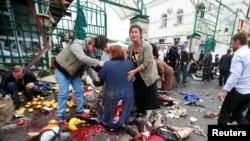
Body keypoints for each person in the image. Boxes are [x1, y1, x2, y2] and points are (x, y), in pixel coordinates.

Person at [93, 45, 142, 139]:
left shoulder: (107, 65)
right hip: (128, 97)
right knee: (123, 110)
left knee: (107, 119)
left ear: (112, 54)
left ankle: (123, 125)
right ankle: (132, 120)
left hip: (113, 98)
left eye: (109, 53)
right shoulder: (130, 64)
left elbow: (97, 82)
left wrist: (95, 77)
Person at [53, 35, 105, 121]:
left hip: (74, 73)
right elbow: (82, 57)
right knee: (64, 93)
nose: (94, 49)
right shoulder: (76, 45)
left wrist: (94, 77)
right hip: (62, 70)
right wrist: (98, 62)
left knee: (79, 91)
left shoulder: (89, 53)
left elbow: (87, 66)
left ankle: (80, 111)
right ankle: (60, 115)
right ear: (88, 43)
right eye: (94, 46)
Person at [127, 24, 160, 119]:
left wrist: (134, 71)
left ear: (140, 34)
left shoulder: (146, 46)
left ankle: (146, 111)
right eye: (132, 32)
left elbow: (147, 63)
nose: (133, 34)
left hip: (147, 72)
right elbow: (128, 60)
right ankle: (140, 109)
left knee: (147, 92)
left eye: (136, 32)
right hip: (137, 72)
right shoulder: (130, 47)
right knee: (138, 91)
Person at [217, 32, 250, 125]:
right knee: (237, 114)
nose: (232, 46)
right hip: (248, 92)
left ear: (237, 42)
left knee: (224, 115)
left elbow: (236, 75)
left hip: (238, 92)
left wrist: (223, 91)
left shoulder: (239, 55)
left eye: (232, 43)